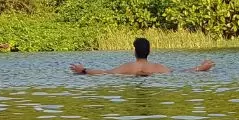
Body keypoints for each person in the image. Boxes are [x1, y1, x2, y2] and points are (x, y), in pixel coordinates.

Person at [70, 37, 214, 76]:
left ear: (135, 52)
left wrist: (83, 70)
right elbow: (183, 72)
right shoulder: (159, 68)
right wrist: (200, 68)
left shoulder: (127, 68)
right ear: (149, 51)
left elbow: (103, 73)